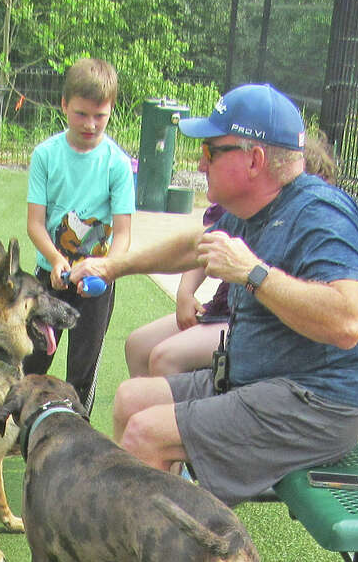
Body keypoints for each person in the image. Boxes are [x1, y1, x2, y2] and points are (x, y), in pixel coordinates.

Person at [0, 83, 358, 562]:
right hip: (260, 378)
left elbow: (348, 320)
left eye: (211, 150)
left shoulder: (321, 217)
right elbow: (192, 246)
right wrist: (114, 263)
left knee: (149, 434)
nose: (199, 161)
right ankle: (127, 561)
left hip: (316, 401)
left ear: (252, 159)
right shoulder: (258, 207)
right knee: (131, 400)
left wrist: (254, 273)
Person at [124, 132, 339, 380]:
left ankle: (174, 418)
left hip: (253, 324)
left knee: (166, 357)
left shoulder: (311, 229)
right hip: (220, 310)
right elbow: (207, 243)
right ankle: (140, 415)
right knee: (138, 344)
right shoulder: (251, 211)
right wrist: (185, 292)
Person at [23, 57, 134, 414]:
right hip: (49, 277)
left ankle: (76, 437)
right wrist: (56, 260)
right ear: (64, 106)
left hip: (97, 285)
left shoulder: (117, 163)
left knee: (81, 372)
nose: (90, 124)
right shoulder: (46, 156)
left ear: (112, 111)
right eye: (81, 114)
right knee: (32, 361)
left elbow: (124, 234)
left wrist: (106, 267)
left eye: (99, 116)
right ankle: (13, 432)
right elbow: (35, 224)